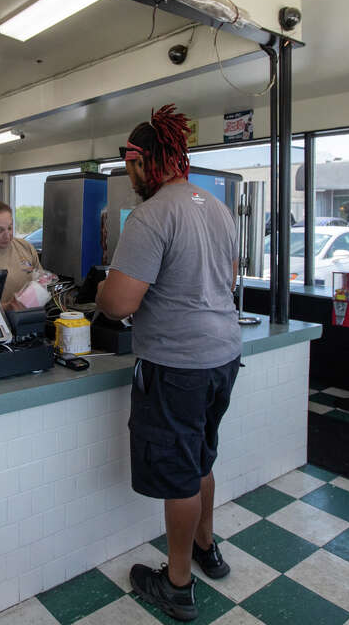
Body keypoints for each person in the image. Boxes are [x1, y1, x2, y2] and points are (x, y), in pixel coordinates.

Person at [96, 104, 240, 622]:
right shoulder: (216, 206)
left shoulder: (151, 214)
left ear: (142, 162)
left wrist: (104, 289)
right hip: (223, 354)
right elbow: (227, 276)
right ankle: (206, 547)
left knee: (180, 471)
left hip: (178, 364)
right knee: (201, 457)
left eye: (130, 166)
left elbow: (119, 305)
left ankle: (176, 584)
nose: (130, 177)